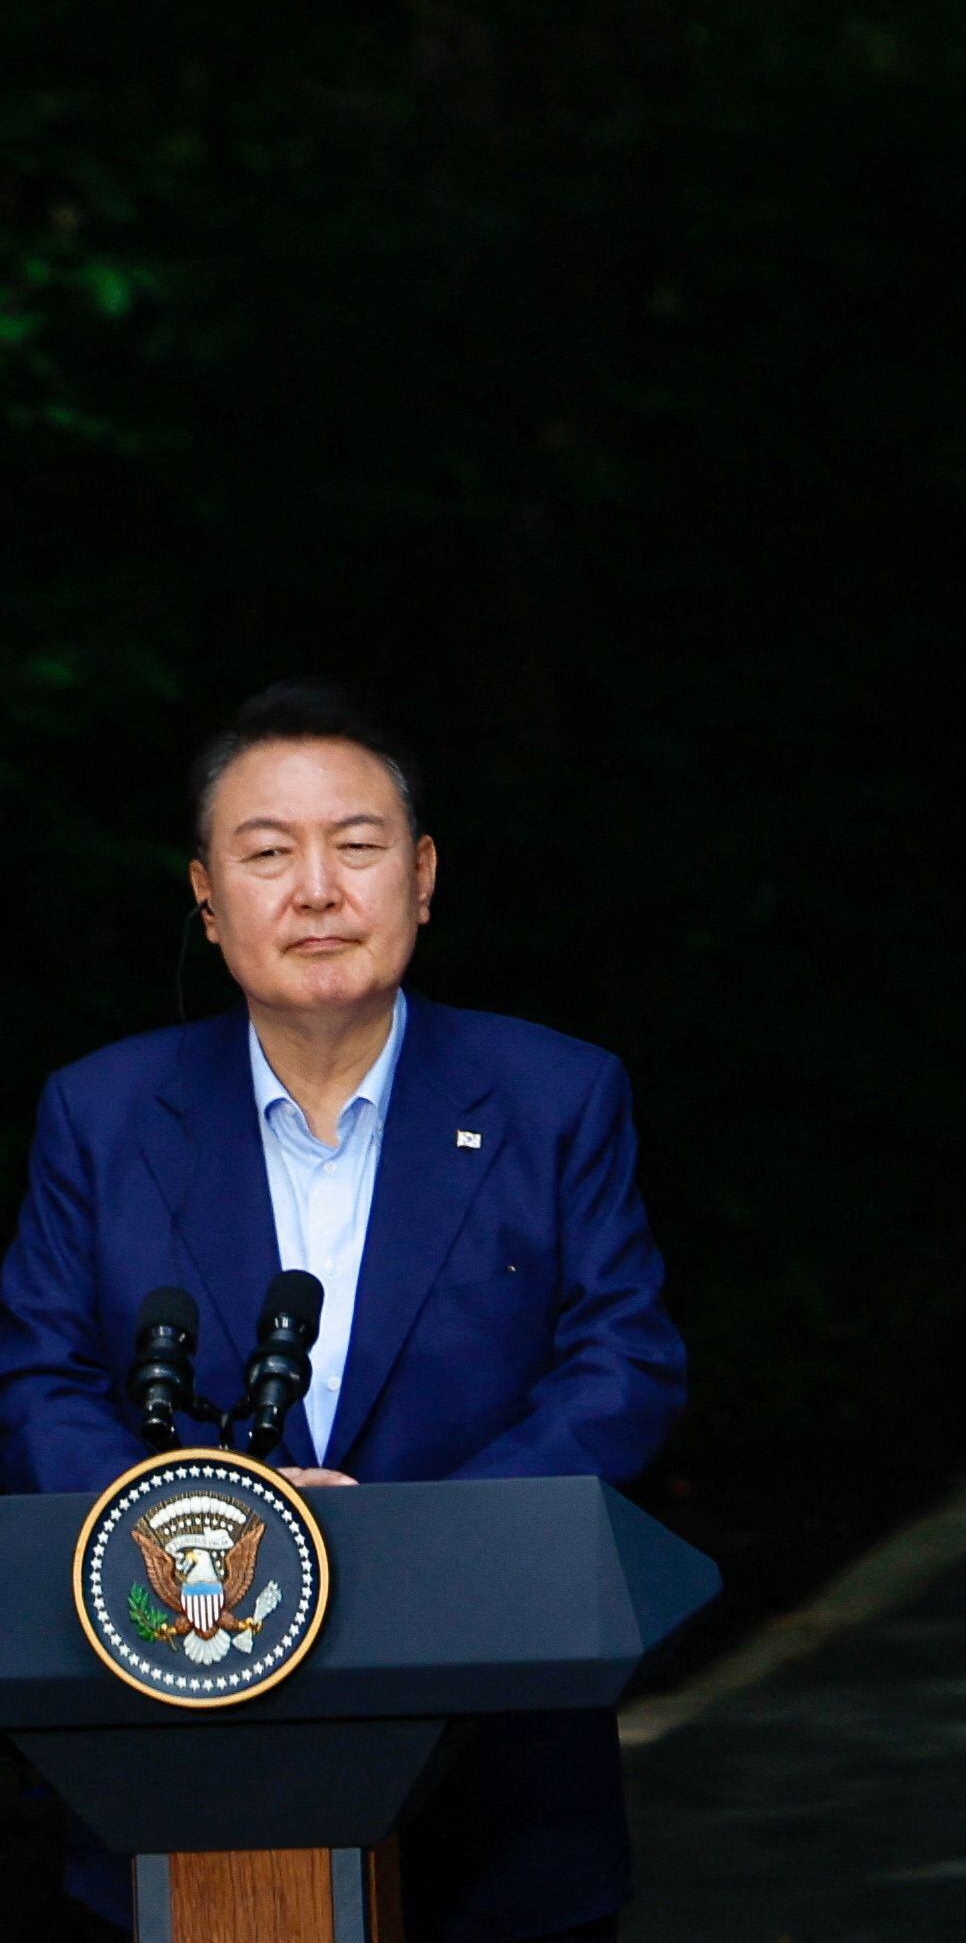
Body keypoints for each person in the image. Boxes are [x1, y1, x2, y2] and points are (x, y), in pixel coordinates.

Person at [0, 684, 687, 1943]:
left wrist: (396, 1551)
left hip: (501, 1777)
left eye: (357, 846)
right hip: (181, 1737)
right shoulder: (100, 1118)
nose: (316, 889)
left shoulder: (554, 1095)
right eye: (267, 853)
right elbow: (40, 1381)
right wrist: (201, 1532)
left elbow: (622, 1360)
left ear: (422, 877)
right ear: (208, 899)